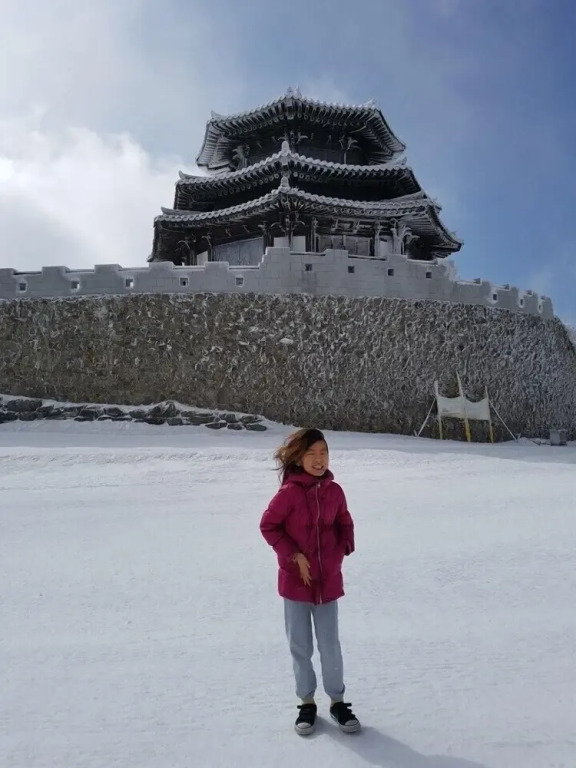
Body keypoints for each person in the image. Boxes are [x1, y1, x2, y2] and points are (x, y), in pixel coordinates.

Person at [260, 428, 360, 736]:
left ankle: (338, 702)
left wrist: (340, 550)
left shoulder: (335, 491)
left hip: (327, 582)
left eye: (323, 453)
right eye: (311, 454)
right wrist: (294, 556)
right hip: (295, 585)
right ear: (298, 458)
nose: (319, 460)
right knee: (300, 646)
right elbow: (269, 526)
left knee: (330, 645)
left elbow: (345, 522)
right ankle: (306, 702)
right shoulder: (289, 493)